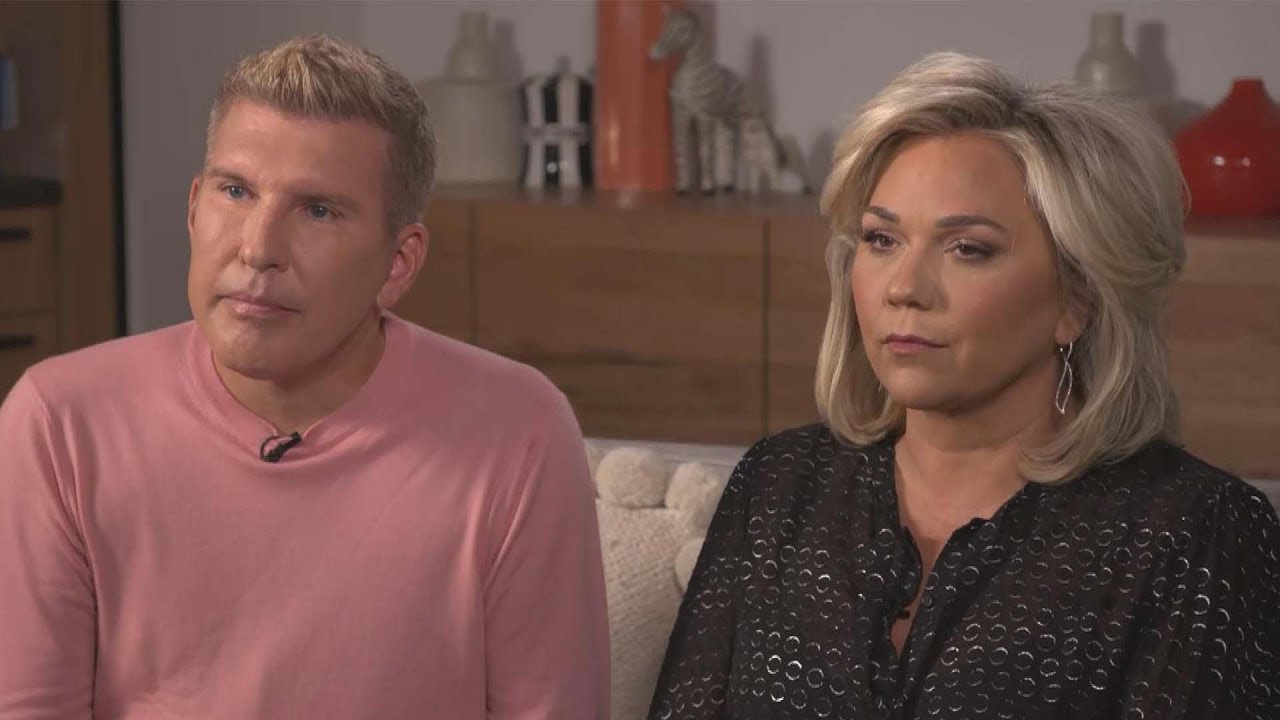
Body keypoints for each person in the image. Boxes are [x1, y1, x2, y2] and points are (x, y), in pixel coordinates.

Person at [649, 52, 1280, 719]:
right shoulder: (777, 488)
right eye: (882, 239)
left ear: (1078, 297)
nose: (904, 288)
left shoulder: (1198, 533)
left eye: (968, 249)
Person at [0, 35, 608, 719]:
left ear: (399, 264)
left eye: (318, 210)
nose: (259, 248)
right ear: (195, 210)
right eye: (236, 191)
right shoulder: (58, 423)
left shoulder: (519, 431)